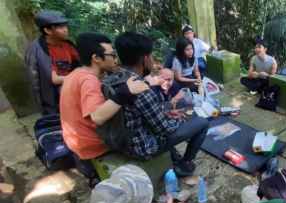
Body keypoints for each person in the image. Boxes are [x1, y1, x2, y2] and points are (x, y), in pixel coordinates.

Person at [104, 32, 209, 177]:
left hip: (123, 137)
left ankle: (174, 156)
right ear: (145, 60)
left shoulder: (113, 79)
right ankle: (185, 165)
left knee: (166, 106)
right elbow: (164, 129)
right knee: (202, 123)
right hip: (143, 146)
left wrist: (165, 113)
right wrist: (178, 119)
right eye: (152, 57)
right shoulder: (142, 91)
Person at [60, 33, 149, 161]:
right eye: (112, 55)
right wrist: (126, 91)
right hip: (93, 145)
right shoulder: (88, 80)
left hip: (74, 141)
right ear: (96, 58)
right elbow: (98, 117)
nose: (116, 60)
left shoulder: (75, 74)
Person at [25, 11, 80, 115]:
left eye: (64, 26)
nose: (66, 30)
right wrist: (80, 77)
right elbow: (54, 79)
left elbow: (80, 61)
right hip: (53, 89)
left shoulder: (66, 44)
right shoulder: (38, 51)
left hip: (69, 78)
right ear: (48, 30)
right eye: (60, 27)